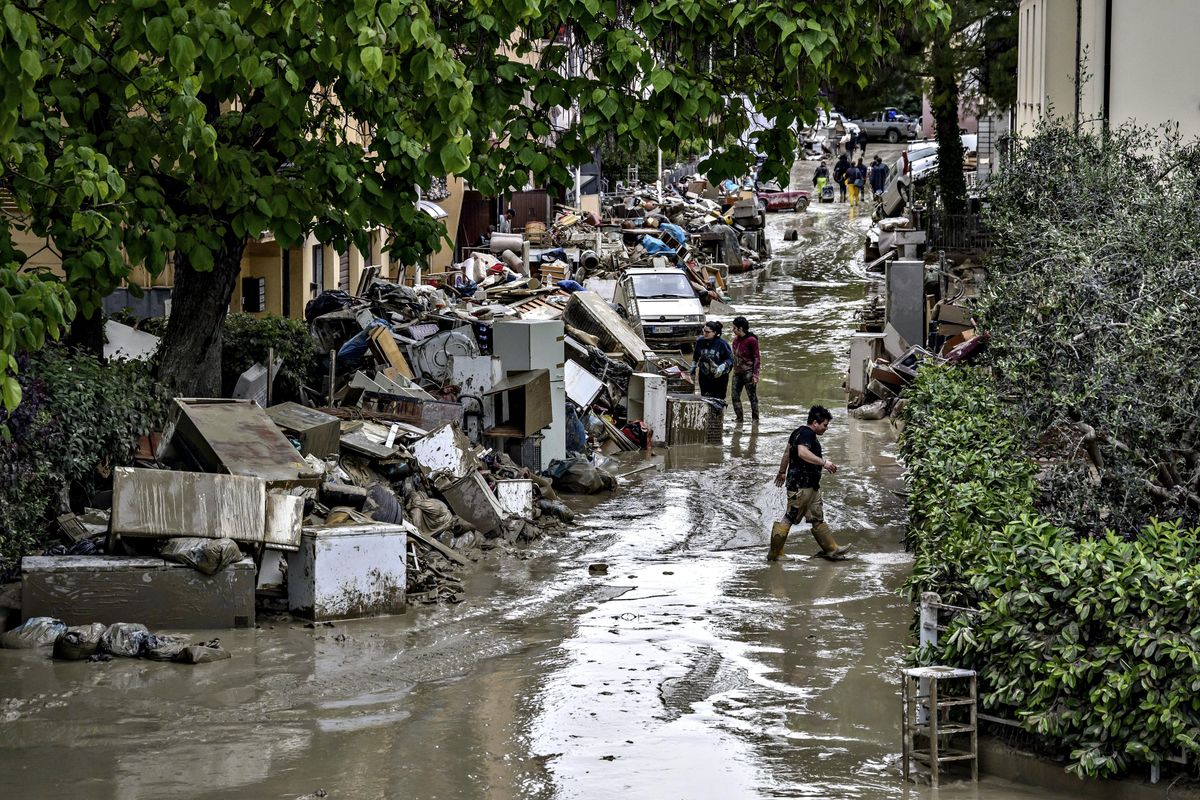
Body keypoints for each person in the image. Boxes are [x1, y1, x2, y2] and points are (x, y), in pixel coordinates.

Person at [768, 405, 851, 561]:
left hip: (811, 486)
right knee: (789, 517)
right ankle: (775, 554)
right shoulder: (807, 434)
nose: (826, 428)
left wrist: (781, 472)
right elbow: (802, 452)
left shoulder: (797, 432)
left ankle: (831, 550)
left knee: (816, 518)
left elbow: (787, 453)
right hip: (800, 486)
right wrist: (824, 463)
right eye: (825, 425)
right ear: (815, 422)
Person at [691, 321, 734, 400]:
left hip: (719, 376)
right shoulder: (700, 341)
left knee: (718, 399)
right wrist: (693, 367)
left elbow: (730, 359)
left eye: (708, 332)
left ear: (714, 332)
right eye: (704, 331)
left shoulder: (722, 344)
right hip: (704, 374)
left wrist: (723, 366)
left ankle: (719, 412)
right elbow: (696, 356)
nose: (705, 333)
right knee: (705, 397)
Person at [730, 316, 760, 424]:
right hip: (737, 372)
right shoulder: (735, 340)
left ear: (740, 328)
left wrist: (755, 375)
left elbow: (757, 358)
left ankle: (755, 419)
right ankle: (739, 418)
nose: (733, 330)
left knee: (752, 397)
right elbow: (733, 357)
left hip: (748, 372)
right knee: (734, 396)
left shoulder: (752, 340)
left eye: (734, 328)